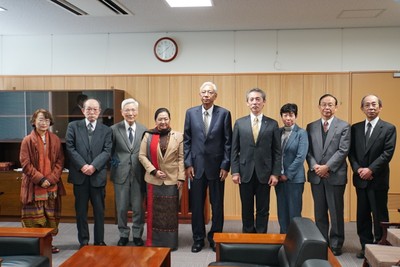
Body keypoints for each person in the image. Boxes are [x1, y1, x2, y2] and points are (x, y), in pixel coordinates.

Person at [184, 81, 232, 253]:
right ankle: (198, 239)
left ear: (215, 96)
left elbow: (228, 142)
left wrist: (226, 165)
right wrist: (188, 164)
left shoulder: (224, 114)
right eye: (203, 92)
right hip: (196, 167)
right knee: (196, 205)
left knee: (217, 205)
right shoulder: (190, 113)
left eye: (209, 92)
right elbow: (187, 141)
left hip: (217, 167)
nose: (206, 95)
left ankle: (215, 237)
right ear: (200, 94)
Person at [348, 94, 396, 259]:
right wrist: (358, 169)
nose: (371, 107)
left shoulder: (389, 128)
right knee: (362, 215)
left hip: (378, 179)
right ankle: (365, 246)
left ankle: (380, 245)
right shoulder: (355, 128)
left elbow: (387, 153)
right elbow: (351, 153)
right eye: (367, 105)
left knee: (379, 215)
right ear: (362, 108)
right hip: (360, 179)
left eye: (374, 104)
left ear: (380, 107)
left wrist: (370, 169)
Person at [231, 88, 281, 234]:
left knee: (263, 208)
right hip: (244, 172)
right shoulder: (240, 123)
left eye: (258, 99)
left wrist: (275, 173)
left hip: (265, 173)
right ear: (247, 103)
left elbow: (277, 151)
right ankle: (247, 236)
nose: (255, 102)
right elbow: (234, 150)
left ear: (263, 102)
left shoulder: (272, 124)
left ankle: (261, 236)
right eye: (251, 99)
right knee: (246, 207)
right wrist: (235, 171)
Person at [306, 93, 350, 256]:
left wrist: (327, 167)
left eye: (330, 104)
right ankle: (322, 241)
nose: (327, 107)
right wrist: (315, 166)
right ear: (319, 107)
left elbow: (343, 150)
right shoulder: (311, 126)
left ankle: (337, 243)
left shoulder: (344, 126)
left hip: (335, 175)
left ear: (336, 107)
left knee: (336, 211)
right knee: (319, 211)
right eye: (324, 104)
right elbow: (308, 150)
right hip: (316, 175)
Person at [65, 98, 112, 248]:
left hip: (97, 176)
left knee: (99, 212)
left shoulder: (106, 130)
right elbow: (70, 148)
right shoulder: (73, 126)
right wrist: (83, 166)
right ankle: (83, 241)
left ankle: (99, 240)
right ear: (82, 111)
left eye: (95, 109)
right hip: (80, 177)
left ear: (99, 112)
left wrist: (94, 166)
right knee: (81, 212)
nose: (92, 112)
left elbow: (107, 151)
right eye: (88, 109)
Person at [19, 108, 65, 254]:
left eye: (46, 120)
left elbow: (60, 161)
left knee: (50, 216)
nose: (44, 123)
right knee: (34, 217)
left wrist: (51, 179)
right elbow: (25, 164)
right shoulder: (27, 140)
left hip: (51, 186)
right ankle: (33, 246)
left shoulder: (56, 139)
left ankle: (48, 245)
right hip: (34, 187)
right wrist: (40, 179)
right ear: (34, 121)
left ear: (50, 122)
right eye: (40, 119)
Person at [139, 108, 185, 250]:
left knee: (170, 214)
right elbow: (141, 155)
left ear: (169, 120)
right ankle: (155, 242)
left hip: (172, 180)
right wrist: (153, 171)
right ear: (156, 121)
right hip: (154, 180)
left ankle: (170, 244)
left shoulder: (179, 136)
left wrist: (181, 178)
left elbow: (181, 158)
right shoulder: (148, 135)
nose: (163, 122)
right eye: (160, 119)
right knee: (155, 213)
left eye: (165, 119)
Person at [110, 98, 146, 246]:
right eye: (127, 110)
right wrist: (116, 165)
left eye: (133, 110)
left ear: (137, 112)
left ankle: (137, 234)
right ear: (122, 112)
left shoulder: (144, 129)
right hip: (121, 174)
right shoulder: (113, 129)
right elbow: (109, 152)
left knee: (138, 208)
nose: (130, 113)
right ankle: (123, 234)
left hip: (138, 173)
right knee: (122, 207)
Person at [275, 103, 308, 234]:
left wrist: (287, 174)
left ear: (296, 116)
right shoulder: (277, 132)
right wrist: (277, 173)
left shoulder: (301, 133)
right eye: (285, 115)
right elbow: (274, 154)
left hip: (294, 179)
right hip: (279, 179)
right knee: (282, 210)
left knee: (294, 211)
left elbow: (301, 157)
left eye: (291, 115)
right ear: (281, 116)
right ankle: (283, 236)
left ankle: (295, 239)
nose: (288, 118)